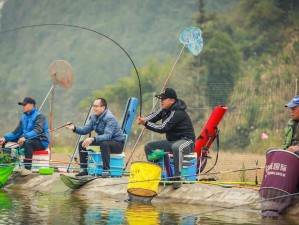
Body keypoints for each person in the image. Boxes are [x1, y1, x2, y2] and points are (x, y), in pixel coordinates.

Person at [137, 88, 195, 189]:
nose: (161, 101)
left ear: (172, 100)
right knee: (149, 147)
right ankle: (156, 173)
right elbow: (153, 117)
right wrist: (143, 119)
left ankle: (177, 177)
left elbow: (163, 128)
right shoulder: (164, 109)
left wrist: (145, 123)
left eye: (163, 99)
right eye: (160, 99)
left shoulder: (177, 112)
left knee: (177, 147)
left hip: (187, 141)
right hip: (172, 141)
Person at [65, 98, 125, 177]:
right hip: (103, 141)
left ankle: (106, 171)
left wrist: (93, 139)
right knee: (82, 144)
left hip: (117, 143)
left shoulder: (109, 118)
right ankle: (85, 170)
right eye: (93, 106)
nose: (94, 108)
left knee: (104, 144)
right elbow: (85, 130)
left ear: (103, 107)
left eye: (96, 106)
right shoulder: (94, 117)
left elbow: (108, 135)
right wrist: (73, 128)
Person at [0, 97, 50, 176]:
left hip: (41, 141)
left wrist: (25, 137)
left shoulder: (40, 116)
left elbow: (37, 130)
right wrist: (5, 138)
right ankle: (8, 165)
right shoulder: (24, 117)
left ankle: (27, 169)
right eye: (22, 105)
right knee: (6, 142)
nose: (23, 106)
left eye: (24, 105)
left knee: (28, 142)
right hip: (27, 139)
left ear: (32, 105)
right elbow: (16, 133)